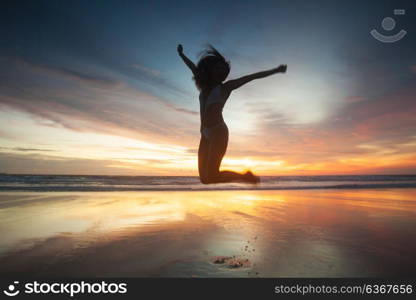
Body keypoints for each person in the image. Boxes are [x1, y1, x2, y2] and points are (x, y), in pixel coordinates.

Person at [177, 44, 287, 184]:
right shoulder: (204, 85)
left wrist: (276, 70)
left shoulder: (226, 87)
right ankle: (245, 177)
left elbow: (251, 77)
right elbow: (192, 67)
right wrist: (181, 54)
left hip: (218, 131)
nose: (221, 73)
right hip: (204, 134)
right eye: (218, 69)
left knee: (212, 175)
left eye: (223, 71)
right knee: (205, 179)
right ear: (210, 69)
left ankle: (245, 177)